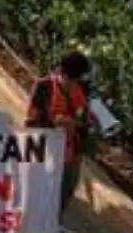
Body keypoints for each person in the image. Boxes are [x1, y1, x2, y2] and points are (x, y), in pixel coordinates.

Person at [26, 51, 95, 207]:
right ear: (60, 72)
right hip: (46, 148)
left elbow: (87, 119)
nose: (72, 84)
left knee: (65, 190)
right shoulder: (45, 86)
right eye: (69, 79)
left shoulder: (83, 90)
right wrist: (55, 122)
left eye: (76, 80)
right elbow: (32, 118)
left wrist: (77, 124)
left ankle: (53, 221)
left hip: (71, 152)